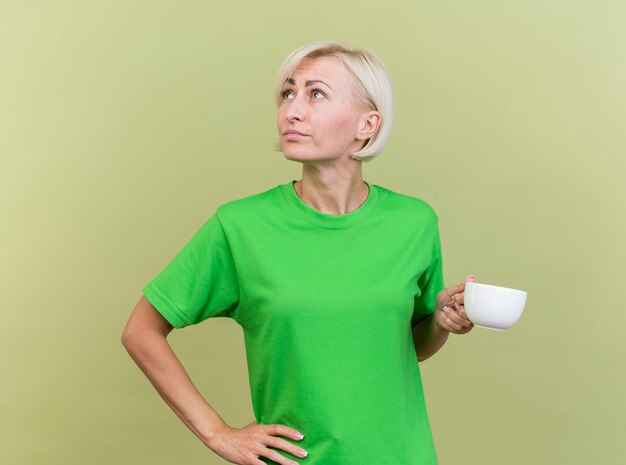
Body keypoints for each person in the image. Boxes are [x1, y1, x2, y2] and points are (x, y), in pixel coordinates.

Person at [121, 40, 476, 465]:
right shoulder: (240, 226)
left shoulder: (414, 222)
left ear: (368, 124)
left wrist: (438, 320)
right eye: (288, 93)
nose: (291, 110)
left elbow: (406, 347)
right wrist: (216, 432)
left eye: (316, 93)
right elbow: (140, 330)